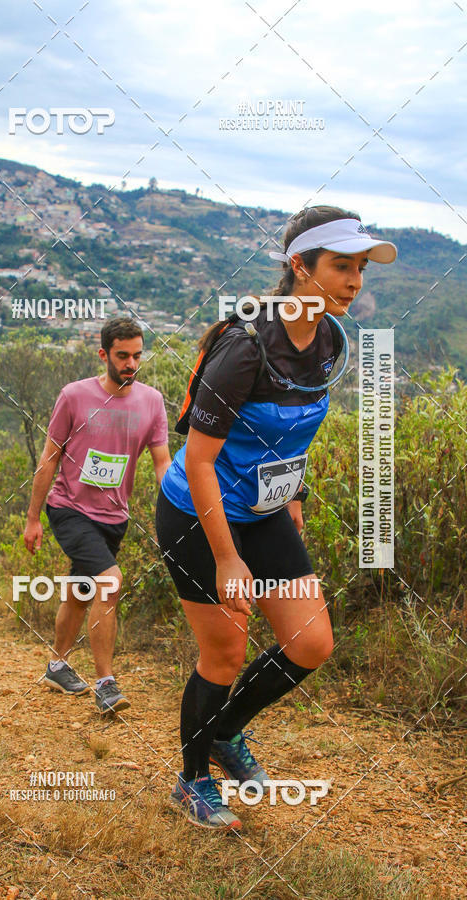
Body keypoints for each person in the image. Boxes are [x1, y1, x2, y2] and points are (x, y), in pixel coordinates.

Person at [156, 206, 397, 829]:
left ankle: (226, 732)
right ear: (299, 266)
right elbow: (201, 462)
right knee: (225, 655)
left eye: (361, 268)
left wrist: (292, 500)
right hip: (199, 513)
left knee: (311, 642)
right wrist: (229, 558)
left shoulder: (328, 341)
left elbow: (293, 437)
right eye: (341, 266)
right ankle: (191, 779)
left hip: (264, 511)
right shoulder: (244, 347)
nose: (355, 281)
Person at [24, 317, 171, 714]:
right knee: (109, 582)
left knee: (80, 591)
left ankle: (57, 665)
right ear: (104, 354)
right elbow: (49, 458)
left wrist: (182, 505)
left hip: (114, 516)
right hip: (69, 508)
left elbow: (162, 464)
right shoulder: (74, 396)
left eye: (137, 356)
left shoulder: (151, 401)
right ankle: (106, 684)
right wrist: (33, 518)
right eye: (122, 356)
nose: (131, 364)